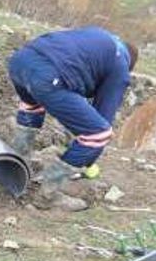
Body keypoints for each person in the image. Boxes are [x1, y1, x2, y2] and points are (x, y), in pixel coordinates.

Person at [8, 26, 137, 210]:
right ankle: (48, 196)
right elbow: (102, 123)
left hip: (20, 61)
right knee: (98, 134)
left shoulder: (99, 38)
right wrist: (87, 161)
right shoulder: (120, 67)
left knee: (32, 106)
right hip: (48, 76)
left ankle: (15, 166)